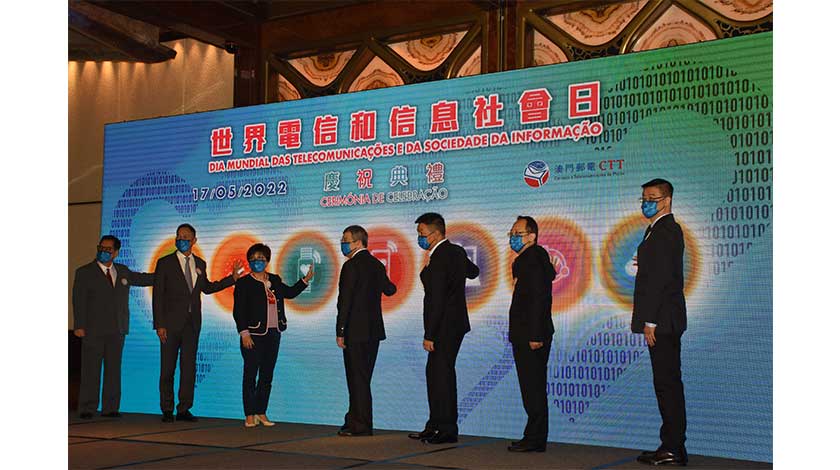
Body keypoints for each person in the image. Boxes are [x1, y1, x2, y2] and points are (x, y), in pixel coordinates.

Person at [153, 223, 242, 423]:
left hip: (192, 325)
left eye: (186, 237)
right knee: (167, 369)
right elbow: (158, 296)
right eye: (179, 236)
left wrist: (232, 279)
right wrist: (160, 324)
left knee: (189, 368)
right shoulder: (165, 263)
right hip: (169, 325)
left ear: (194, 240)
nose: (181, 239)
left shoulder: (200, 263)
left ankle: (184, 409)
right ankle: (167, 409)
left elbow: (207, 288)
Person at [408, 212, 479, 444]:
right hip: (455, 323)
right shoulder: (456, 251)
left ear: (436, 233)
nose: (419, 238)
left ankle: (447, 429)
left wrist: (430, 334)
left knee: (442, 376)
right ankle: (435, 424)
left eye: (422, 233)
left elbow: (437, 299)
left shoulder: (439, 257)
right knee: (435, 374)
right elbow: (474, 272)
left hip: (444, 325)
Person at [632, 178, 688, 466]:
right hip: (663, 319)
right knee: (665, 383)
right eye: (644, 198)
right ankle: (669, 444)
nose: (646, 203)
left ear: (666, 200)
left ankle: (674, 448)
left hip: (663, 321)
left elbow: (661, 279)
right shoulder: (655, 230)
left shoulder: (666, 230)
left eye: (652, 198)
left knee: (668, 384)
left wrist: (651, 320)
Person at [72, 235, 155, 419]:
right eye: (101, 248)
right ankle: (87, 407)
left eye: (108, 249)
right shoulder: (84, 272)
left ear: (116, 253)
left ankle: (110, 408)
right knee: (91, 370)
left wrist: (165, 274)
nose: (104, 251)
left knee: (113, 370)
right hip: (92, 329)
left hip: (117, 329)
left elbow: (142, 279)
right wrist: (79, 325)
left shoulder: (122, 271)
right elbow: (78, 300)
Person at [233, 243, 313, 428]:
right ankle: (250, 414)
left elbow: (289, 293)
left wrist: (305, 280)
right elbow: (239, 311)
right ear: (249, 261)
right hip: (253, 334)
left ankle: (261, 412)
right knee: (250, 375)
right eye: (253, 259)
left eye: (261, 258)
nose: (257, 262)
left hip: (273, 334)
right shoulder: (244, 283)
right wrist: (244, 333)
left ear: (267, 260)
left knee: (267, 375)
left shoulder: (275, 280)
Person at [335, 225, 397, 436]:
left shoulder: (351, 266)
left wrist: (340, 330)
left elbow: (344, 302)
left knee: (356, 379)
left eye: (346, 240)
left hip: (354, 331)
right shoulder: (376, 264)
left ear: (358, 242)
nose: (342, 243)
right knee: (363, 378)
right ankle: (353, 419)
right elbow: (390, 289)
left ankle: (360, 425)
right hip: (373, 331)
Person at [506, 216, 556, 452]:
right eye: (512, 234)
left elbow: (539, 299)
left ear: (532, 236)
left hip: (531, 335)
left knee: (533, 387)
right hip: (526, 333)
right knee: (530, 386)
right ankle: (533, 435)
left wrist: (535, 335)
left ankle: (535, 439)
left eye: (518, 233)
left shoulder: (533, 259)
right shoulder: (530, 259)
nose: (513, 238)